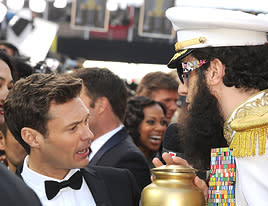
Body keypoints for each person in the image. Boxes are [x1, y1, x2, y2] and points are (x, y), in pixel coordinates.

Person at [153, 7, 268, 205]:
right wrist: (203, 198)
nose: (181, 88)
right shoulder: (246, 131)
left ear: (214, 71)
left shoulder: (260, 141)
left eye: (186, 73)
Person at [4, 73, 139, 206]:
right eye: (73, 128)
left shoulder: (120, 184)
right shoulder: (7, 197)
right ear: (32, 138)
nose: (89, 135)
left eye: (86, 121)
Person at [72, 67, 151, 192]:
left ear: (101, 105)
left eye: (77, 99)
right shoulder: (84, 149)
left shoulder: (129, 161)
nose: (70, 107)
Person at [124, 96, 168, 168]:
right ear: (133, 124)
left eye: (163, 122)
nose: (160, 128)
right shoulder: (122, 162)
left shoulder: (164, 159)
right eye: (151, 122)